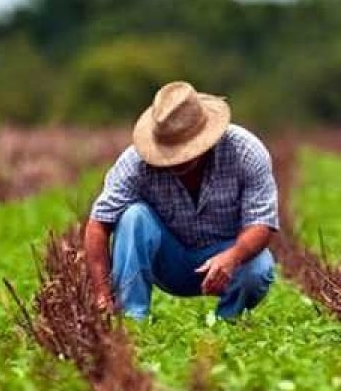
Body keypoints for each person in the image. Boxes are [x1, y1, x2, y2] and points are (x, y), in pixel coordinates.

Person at [84, 80, 279, 321]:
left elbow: (262, 223)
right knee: (133, 217)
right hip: (169, 261)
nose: (177, 161)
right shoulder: (135, 163)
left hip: (226, 256)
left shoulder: (246, 152)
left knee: (258, 267)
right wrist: (102, 295)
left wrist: (233, 256)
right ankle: (132, 321)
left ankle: (227, 324)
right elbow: (98, 224)